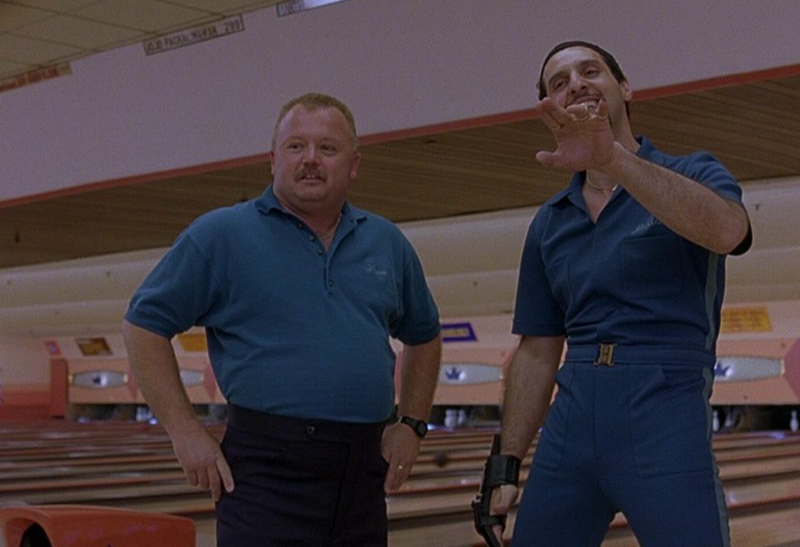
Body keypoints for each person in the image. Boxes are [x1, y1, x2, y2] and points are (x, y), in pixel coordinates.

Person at [122, 92, 442, 547]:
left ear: (353, 165)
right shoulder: (221, 234)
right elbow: (143, 326)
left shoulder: (386, 242)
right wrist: (184, 430)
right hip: (265, 470)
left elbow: (424, 335)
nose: (310, 159)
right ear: (273, 160)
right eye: (296, 146)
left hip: (362, 471)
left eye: (327, 148)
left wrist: (411, 424)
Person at [487, 41, 752, 546]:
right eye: (559, 82)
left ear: (624, 87)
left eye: (590, 71)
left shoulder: (693, 172)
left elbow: (728, 232)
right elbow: (537, 350)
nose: (576, 84)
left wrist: (612, 158)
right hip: (573, 413)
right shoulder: (550, 221)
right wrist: (505, 462)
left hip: (665, 409)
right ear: (549, 107)